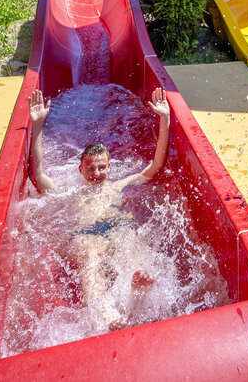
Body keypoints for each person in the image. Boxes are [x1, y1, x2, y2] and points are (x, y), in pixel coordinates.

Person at [27, 86, 172, 328]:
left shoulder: (117, 186)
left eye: (101, 167)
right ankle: (107, 314)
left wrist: (164, 119)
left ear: (109, 167)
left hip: (115, 231)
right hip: (86, 236)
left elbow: (154, 167)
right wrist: (37, 125)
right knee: (90, 252)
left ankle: (137, 290)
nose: (96, 173)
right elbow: (38, 176)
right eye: (91, 168)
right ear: (80, 169)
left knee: (127, 241)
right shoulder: (71, 190)